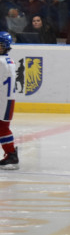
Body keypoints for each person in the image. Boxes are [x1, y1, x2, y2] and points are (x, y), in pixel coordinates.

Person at [0, 32, 18, 169]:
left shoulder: (1, 61)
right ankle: (11, 153)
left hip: (3, 100)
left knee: (3, 128)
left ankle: (11, 154)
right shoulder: (8, 60)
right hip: (7, 99)